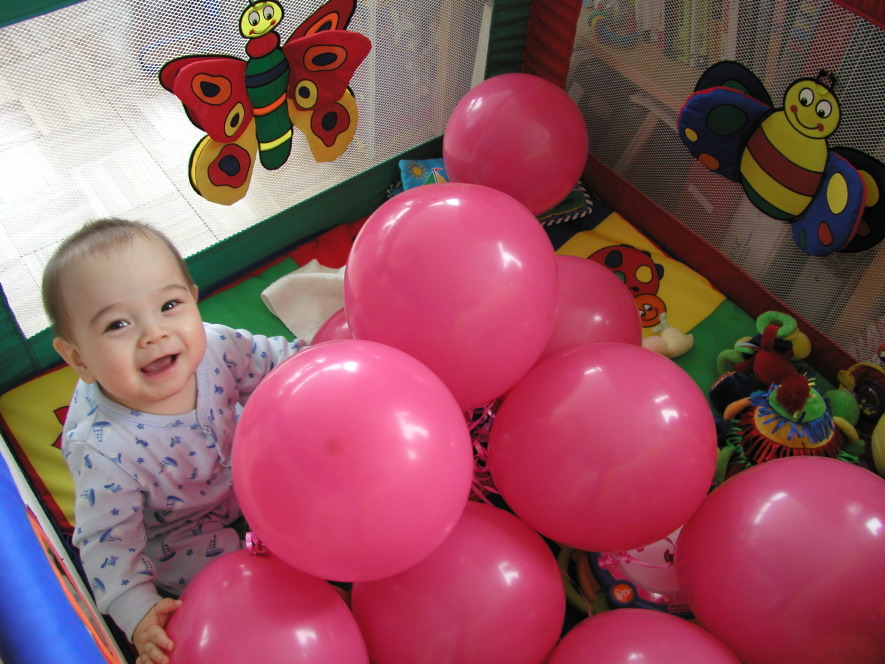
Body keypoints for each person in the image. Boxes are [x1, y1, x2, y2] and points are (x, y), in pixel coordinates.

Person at [42, 218, 303, 664]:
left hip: (249, 464)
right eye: (118, 324)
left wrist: (328, 365)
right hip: (178, 530)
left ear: (194, 300)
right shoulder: (103, 449)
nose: (154, 334)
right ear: (78, 358)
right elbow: (109, 544)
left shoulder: (217, 346)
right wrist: (139, 613)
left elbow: (283, 364)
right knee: (237, 598)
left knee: (312, 482)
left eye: (169, 305)